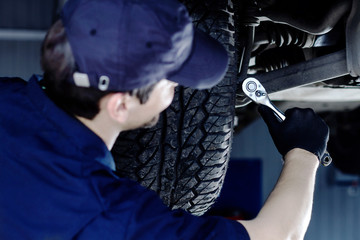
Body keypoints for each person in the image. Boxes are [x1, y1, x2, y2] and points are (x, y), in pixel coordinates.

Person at [0, 0, 329, 239]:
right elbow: (275, 237)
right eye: (171, 81)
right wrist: (304, 153)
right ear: (120, 105)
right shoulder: (106, 215)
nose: (177, 88)